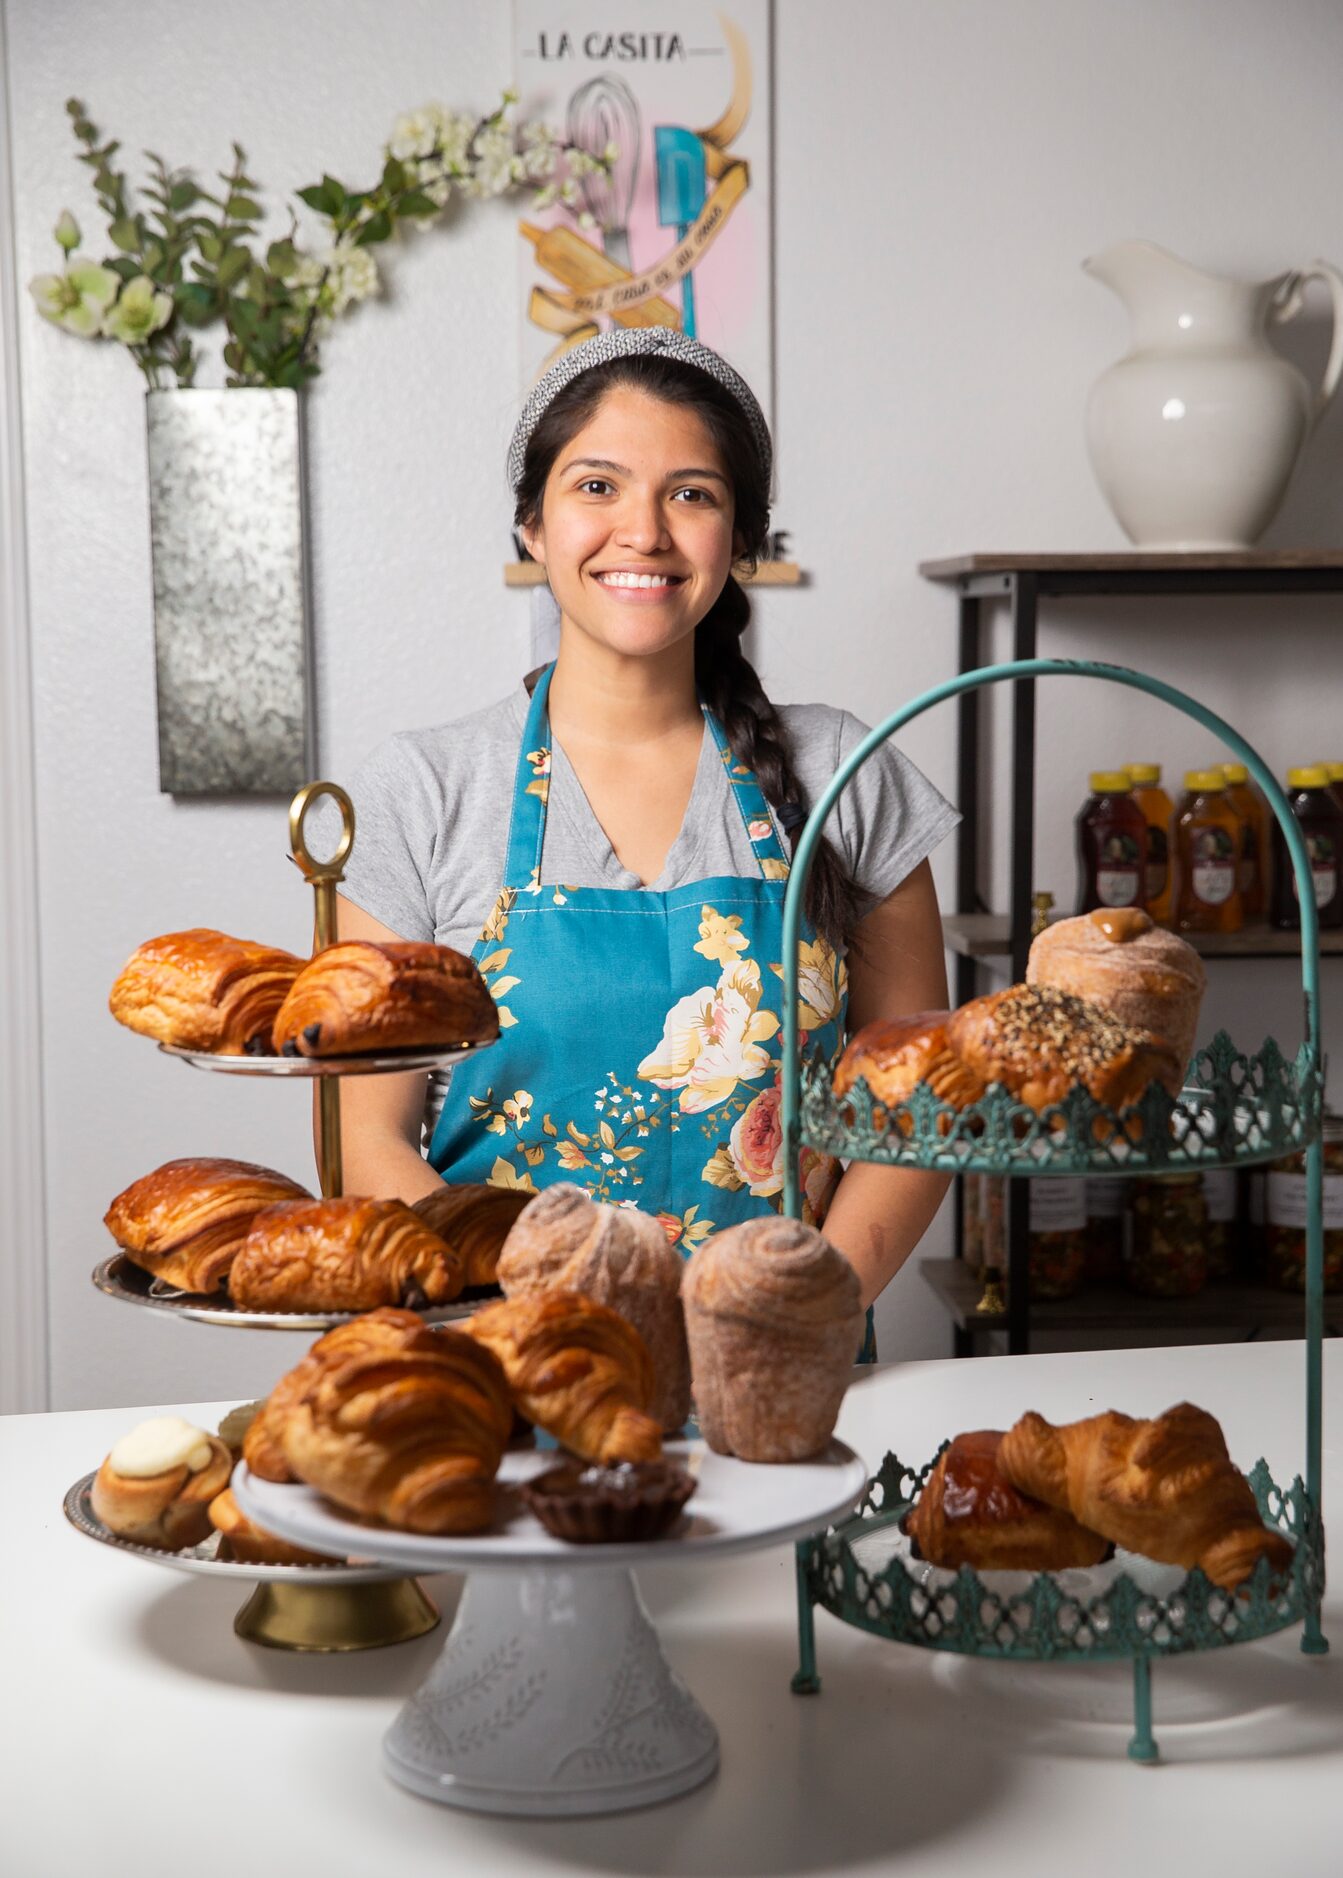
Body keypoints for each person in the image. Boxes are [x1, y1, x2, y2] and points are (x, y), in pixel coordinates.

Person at [326, 326, 957, 1315]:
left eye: (690, 494)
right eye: (595, 486)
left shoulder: (843, 773)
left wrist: (796, 1320)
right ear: (531, 525)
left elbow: (916, 1109)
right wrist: (520, 1320)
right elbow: (365, 1145)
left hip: (776, 1374)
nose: (644, 531)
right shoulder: (423, 790)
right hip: (493, 1369)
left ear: (739, 537)